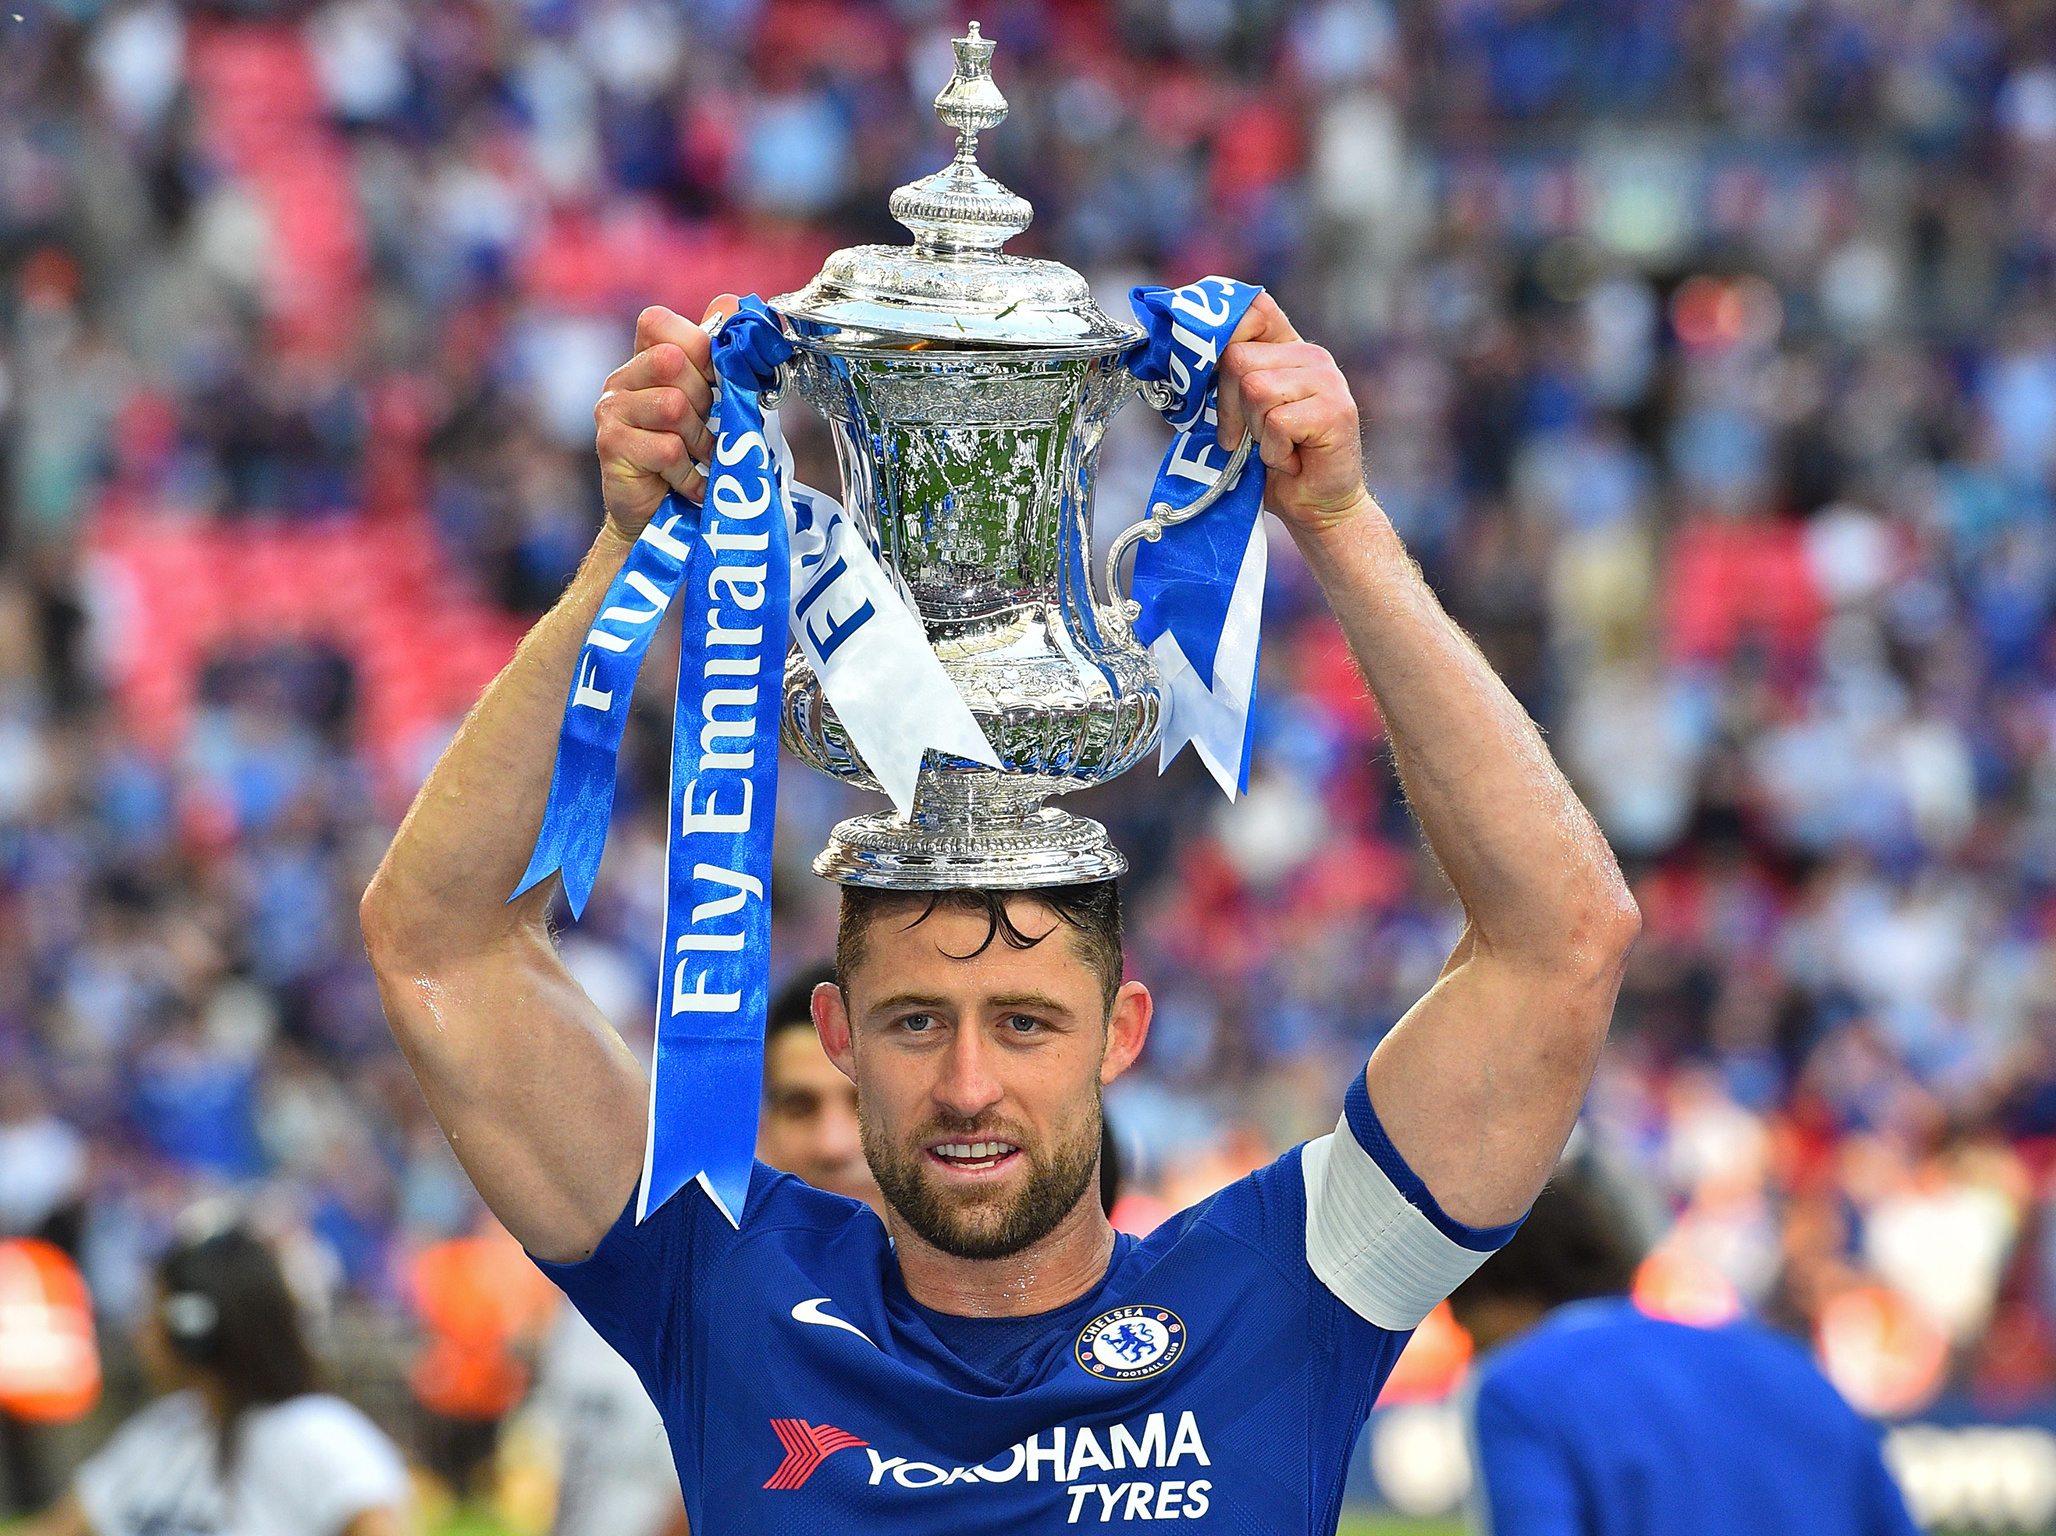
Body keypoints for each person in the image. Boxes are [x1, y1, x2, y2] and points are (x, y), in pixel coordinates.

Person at [359, 288, 1641, 1530]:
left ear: (1122, 1029)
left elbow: (1563, 944)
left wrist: (1342, 520)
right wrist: (626, 551)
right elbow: (440, 948)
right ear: (839, 1035)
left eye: (1026, 1023)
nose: (969, 1085)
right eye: (916, 1023)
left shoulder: (1287, 1290)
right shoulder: (722, 1284)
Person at [529, 962, 881, 1536]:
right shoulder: (642, 1290)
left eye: (859, 1104)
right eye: (800, 1106)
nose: (833, 1143)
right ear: (757, 1123)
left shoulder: (960, 1322)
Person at [1446, 1171, 1921, 1536]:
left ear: (1491, 1297)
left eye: (1467, 1326)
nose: (1473, 1350)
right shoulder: (1794, 1367)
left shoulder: (1518, 1388)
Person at [20, 1213, 410, 1536]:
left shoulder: (317, 1434)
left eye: (151, 1318)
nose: (140, 1337)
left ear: (193, 1329)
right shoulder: (162, 1432)